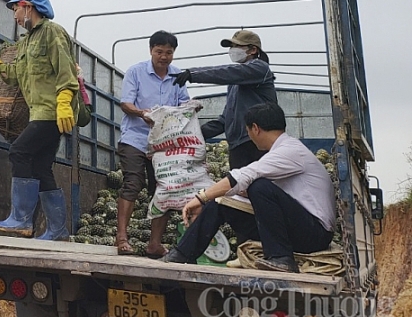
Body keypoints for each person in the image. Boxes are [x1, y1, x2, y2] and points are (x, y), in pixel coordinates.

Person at [163, 102, 336, 273]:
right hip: (297, 227)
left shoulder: (290, 151)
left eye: (248, 132)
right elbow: (244, 187)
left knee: (258, 186)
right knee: (221, 201)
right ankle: (183, 254)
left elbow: (244, 176)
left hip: (315, 233)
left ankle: (281, 258)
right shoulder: (283, 151)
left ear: (255, 128)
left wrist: (201, 198)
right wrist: (214, 199)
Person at [0, 0, 79, 241]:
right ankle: (57, 230)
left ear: (28, 6)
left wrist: (64, 101)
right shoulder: (26, 42)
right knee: (42, 168)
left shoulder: (52, 33)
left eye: (15, 8)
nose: (14, 15)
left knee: (19, 151)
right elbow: (17, 77)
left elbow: (67, 71)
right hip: (38, 113)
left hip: (53, 111)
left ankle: (20, 220)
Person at [117, 31, 191, 258]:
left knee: (164, 190)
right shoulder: (136, 72)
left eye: (169, 53)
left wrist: (190, 109)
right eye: (159, 52)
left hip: (164, 143)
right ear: (151, 51)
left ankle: (154, 244)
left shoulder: (178, 76)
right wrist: (142, 113)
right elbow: (125, 104)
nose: (164, 57)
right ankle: (121, 239)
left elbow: (185, 104)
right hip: (135, 138)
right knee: (133, 182)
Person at [173, 30, 276, 170]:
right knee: (240, 189)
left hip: (258, 141)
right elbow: (225, 120)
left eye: (237, 46)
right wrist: (193, 134)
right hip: (237, 145)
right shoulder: (234, 84)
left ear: (253, 50)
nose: (232, 50)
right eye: (231, 47)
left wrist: (193, 74)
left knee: (259, 186)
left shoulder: (260, 69)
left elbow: (227, 72)